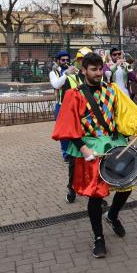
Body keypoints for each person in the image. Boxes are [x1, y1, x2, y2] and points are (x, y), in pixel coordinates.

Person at [52, 53, 137, 258]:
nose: (97, 73)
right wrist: (83, 149)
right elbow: (68, 124)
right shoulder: (74, 95)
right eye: (93, 69)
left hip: (115, 143)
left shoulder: (112, 90)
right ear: (84, 70)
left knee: (127, 185)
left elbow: (126, 112)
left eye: (99, 69)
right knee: (96, 195)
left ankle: (112, 215)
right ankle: (98, 238)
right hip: (92, 147)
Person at [49, 50, 83, 203]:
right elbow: (56, 84)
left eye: (66, 59)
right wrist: (66, 73)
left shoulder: (73, 71)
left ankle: (73, 151)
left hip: (75, 106)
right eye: (62, 60)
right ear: (57, 60)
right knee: (63, 131)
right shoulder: (54, 71)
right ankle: (66, 153)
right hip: (61, 105)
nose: (65, 61)